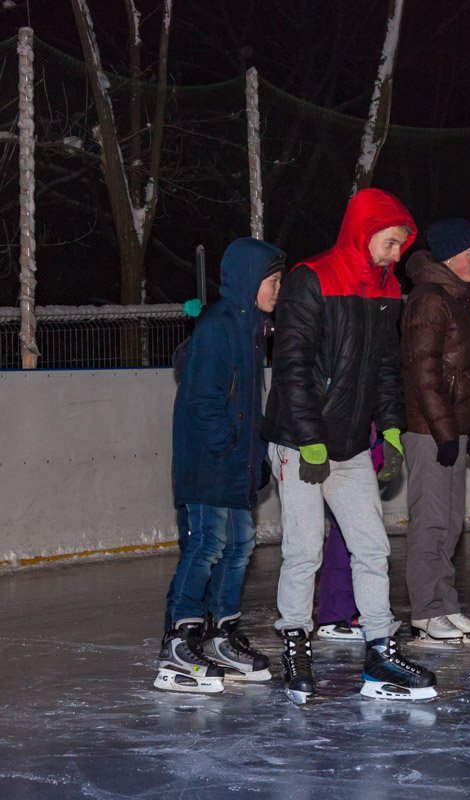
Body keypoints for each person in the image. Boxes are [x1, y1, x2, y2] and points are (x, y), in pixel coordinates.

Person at [263, 188, 435, 704]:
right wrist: (309, 442)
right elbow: (291, 367)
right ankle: (296, 643)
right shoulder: (310, 280)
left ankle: (380, 651)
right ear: (365, 233)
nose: (396, 254)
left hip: (350, 444)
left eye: (402, 245)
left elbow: (385, 367)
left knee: (372, 546)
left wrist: (389, 429)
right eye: (390, 242)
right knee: (303, 550)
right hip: (300, 442)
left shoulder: (385, 289)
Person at [155, 237, 285, 694]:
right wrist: (229, 446)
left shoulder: (252, 329)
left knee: (240, 547)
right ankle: (179, 639)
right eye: (272, 281)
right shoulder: (219, 328)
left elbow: (247, 406)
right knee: (207, 545)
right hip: (207, 465)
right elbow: (205, 401)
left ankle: (222, 633)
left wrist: (255, 459)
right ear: (250, 281)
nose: (277, 289)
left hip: (233, 465)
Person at [399, 218, 470, 645]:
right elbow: (424, 374)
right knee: (431, 523)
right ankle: (426, 612)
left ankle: (445, 605)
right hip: (431, 432)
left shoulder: (455, 299)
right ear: (449, 258)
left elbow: (467, 376)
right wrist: (445, 432)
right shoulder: (429, 301)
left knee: (450, 524)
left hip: (453, 428)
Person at [313, 431, 385, 642]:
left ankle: (354, 609)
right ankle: (335, 614)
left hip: (361, 440)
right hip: (338, 443)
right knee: (345, 531)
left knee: (361, 534)